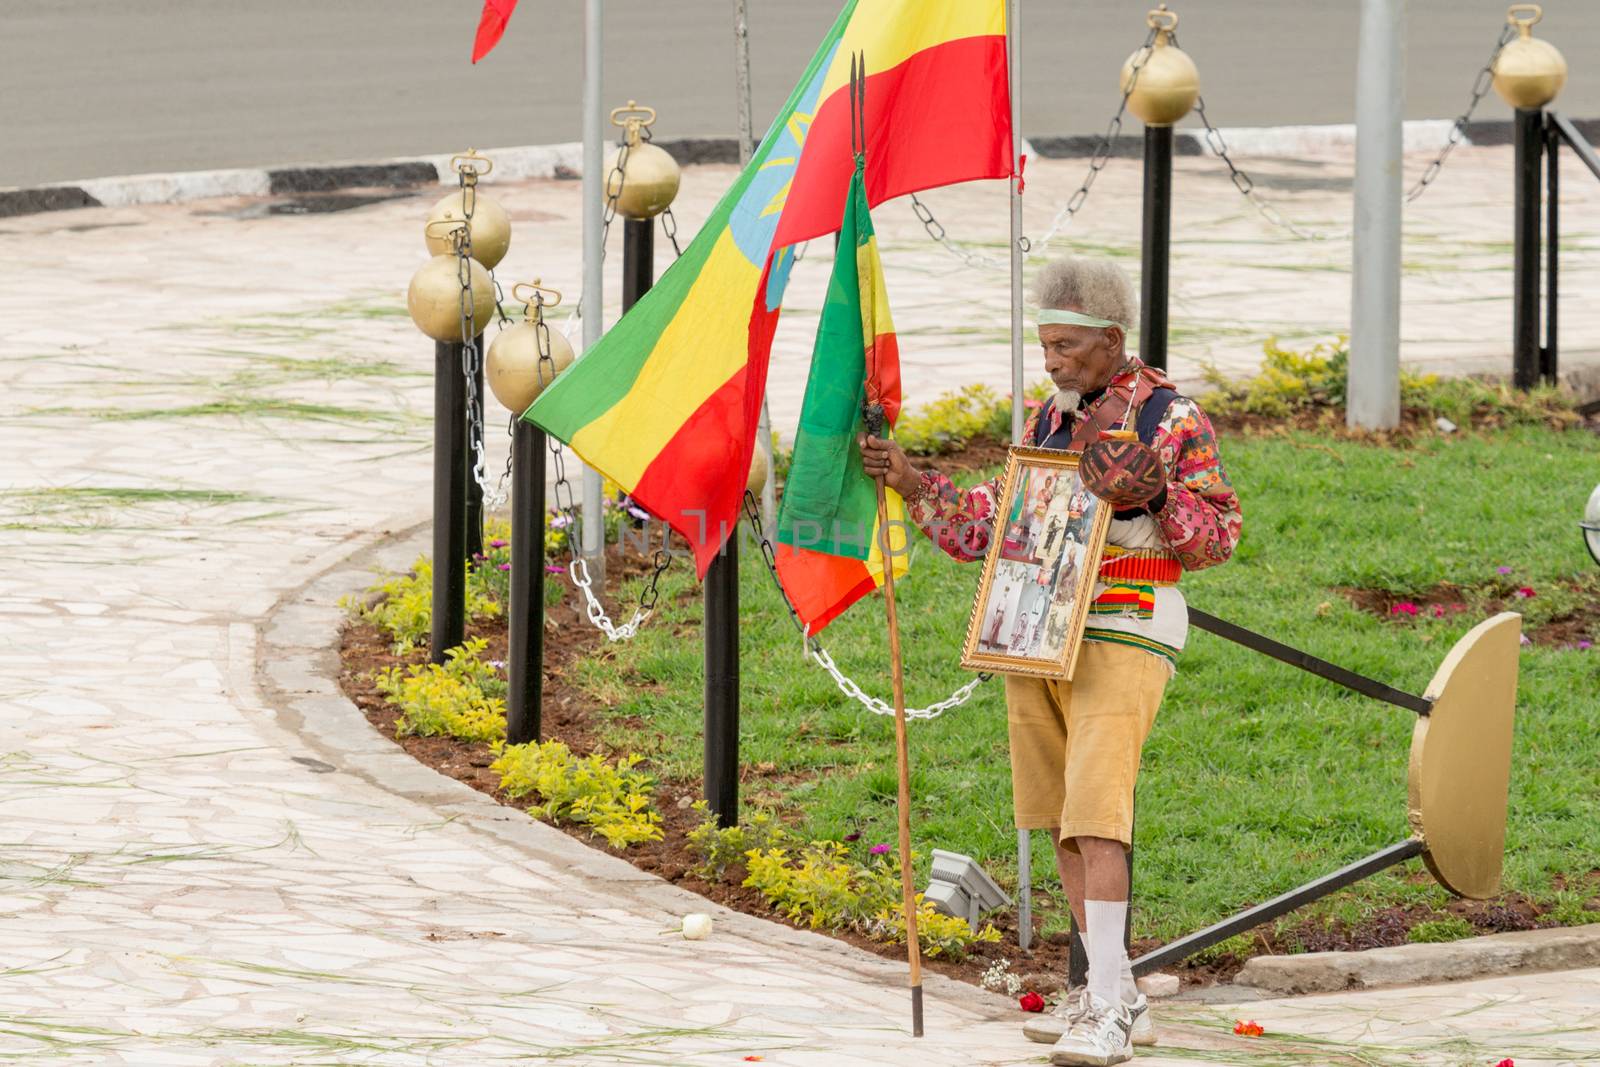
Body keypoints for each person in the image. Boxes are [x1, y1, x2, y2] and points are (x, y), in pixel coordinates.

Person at [861, 256, 1241, 1067]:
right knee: (1066, 818)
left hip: (1129, 624)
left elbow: (1220, 536)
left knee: (1099, 810)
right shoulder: (1048, 419)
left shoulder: (1173, 418)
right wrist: (912, 480)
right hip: (1039, 629)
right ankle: (1117, 990)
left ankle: (1104, 1003)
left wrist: (1155, 496)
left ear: (1112, 340)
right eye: (1045, 345)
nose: (1052, 361)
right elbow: (993, 526)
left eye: (1067, 346)